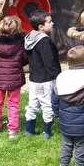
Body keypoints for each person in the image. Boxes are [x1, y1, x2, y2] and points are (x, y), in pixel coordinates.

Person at [0, 15, 28, 138]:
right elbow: (25, 59)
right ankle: (13, 129)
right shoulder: (21, 43)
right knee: (13, 104)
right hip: (15, 78)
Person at [24, 9, 61, 139]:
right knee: (47, 105)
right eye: (49, 22)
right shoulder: (44, 42)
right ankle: (47, 132)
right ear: (41, 27)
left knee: (32, 105)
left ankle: (29, 130)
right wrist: (57, 76)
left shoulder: (29, 38)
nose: (52, 23)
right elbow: (49, 62)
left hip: (34, 79)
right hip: (45, 79)